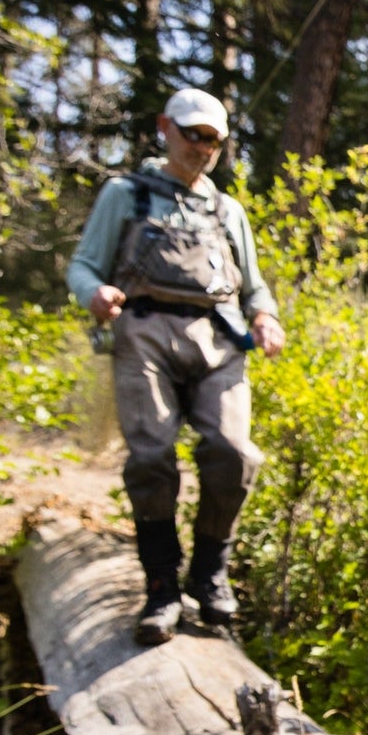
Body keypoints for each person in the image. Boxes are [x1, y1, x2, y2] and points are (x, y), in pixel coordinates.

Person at [67, 87, 285, 645]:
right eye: (194, 134)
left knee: (234, 453)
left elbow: (255, 286)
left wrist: (265, 318)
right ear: (166, 128)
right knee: (151, 458)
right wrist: (95, 294)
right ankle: (162, 587)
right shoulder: (125, 194)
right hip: (143, 334)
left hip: (218, 338)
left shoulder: (226, 209)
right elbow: (83, 267)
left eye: (214, 138)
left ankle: (210, 574)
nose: (204, 147)